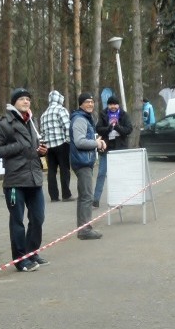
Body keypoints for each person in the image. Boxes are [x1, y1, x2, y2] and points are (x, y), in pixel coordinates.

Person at [0, 87, 48, 272]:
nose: (26, 101)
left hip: (34, 178)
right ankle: (20, 259)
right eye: (22, 99)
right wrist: (17, 146)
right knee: (17, 221)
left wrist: (39, 152)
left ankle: (32, 253)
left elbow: (30, 148)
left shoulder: (31, 121)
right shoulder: (4, 123)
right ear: (14, 102)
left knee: (38, 218)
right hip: (15, 180)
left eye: (28, 99)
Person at [69, 93, 105, 240]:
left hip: (85, 161)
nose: (90, 104)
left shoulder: (85, 118)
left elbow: (86, 140)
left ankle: (83, 228)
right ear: (80, 104)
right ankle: (85, 230)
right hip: (82, 162)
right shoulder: (80, 119)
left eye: (92, 102)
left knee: (85, 196)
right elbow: (79, 141)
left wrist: (97, 143)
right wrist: (96, 143)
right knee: (87, 196)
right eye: (87, 102)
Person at [93, 95, 133, 208]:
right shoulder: (103, 114)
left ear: (118, 105)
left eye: (115, 104)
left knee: (118, 175)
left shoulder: (124, 115)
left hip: (119, 149)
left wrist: (117, 127)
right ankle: (95, 199)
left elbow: (128, 129)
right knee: (101, 174)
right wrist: (109, 128)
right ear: (108, 105)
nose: (113, 106)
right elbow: (98, 128)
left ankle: (119, 200)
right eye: (111, 104)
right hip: (106, 148)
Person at [39, 90, 73, 202]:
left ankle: (54, 196)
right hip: (61, 144)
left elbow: (42, 133)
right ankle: (66, 195)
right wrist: (68, 141)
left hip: (49, 147)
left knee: (51, 171)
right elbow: (67, 127)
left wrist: (45, 145)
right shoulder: (61, 110)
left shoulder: (43, 115)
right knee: (64, 169)